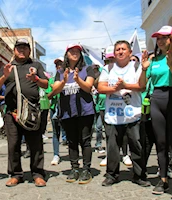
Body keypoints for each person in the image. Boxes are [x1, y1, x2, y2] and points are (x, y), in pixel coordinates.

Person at [140, 25, 172, 199]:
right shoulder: (154, 60)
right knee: (161, 142)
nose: (160, 41)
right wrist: (144, 67)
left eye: (164, 37)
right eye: (158, 38)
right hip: (157, 99)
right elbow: (142, 84)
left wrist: (171, 65)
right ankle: (163, 179)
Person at [0, 38, 48, 187]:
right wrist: (4, 75)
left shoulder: (35, 65)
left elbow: (46, 84)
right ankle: (15, 174)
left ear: (29, 50)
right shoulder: (8, 67)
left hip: (31, 112)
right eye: (19, 48)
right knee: (13, 145)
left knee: (35, 144)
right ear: (14, 50)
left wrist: (35, 78)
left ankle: (37, 174)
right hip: (12, 113)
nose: (21, 50)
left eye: (24, 48)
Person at [98, 40, 149, 187]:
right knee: (113, 148)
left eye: (123, 49)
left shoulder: (137, 66)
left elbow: (141, 86)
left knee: (136, 146)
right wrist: (117, 88)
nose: (120, 52)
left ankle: (139, 175)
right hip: (113, 116)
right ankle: (111, 175)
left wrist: (125, 86)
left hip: (133, 114)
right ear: (114, 54)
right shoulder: (108, 68)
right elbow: (101, 87)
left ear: (130, 52)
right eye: (118, 49)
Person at [50, 44, 95, 184]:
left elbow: (88, 88)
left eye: (77, 51)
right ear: (67, 54)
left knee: (85, 140)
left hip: (85, 111)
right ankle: (74, 168)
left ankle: (86, 169)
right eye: (72, 51)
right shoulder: (61, 71)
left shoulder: (88, 69)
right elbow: (55, 89)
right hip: (67, 112)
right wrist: (64, 80)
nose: (75, 53)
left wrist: (77, 80)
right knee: (72, 141)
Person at [99, 46, 132, 167]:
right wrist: (113, 88)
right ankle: (110, 156)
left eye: (112, 59)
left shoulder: (126, 69)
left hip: (125, 107)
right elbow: (101, 87)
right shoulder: (105, 69)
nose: (110, 62)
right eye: (108, 60)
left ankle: (125, 154)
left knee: (125, 134)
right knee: (110, 135)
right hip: (106, 107)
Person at [48, 56, 67, 165]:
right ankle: (56, 154)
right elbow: (49, 95)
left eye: (60, 64)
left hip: (66, 109)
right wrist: (55, 89)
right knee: (56, 133)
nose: (58, 66)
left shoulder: (68, 77)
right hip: (54, 108)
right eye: (56, 65)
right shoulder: (52, 79)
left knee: (69, 132)